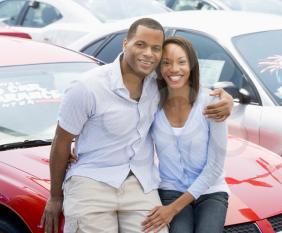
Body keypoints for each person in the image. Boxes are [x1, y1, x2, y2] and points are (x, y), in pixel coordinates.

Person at [40, 18, 233, 233]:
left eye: (155, 48)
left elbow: (187, 84)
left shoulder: (156, 84)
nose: (148, 53)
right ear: (125, 44)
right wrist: (55, 196)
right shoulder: (87, 87)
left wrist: (226, 99)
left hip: (139, 183)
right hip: (92, 181)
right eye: (140, 44)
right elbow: (61, 141)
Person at [141, 36, 229, 233]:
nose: (174, 69)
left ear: (192, 66)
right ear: (159, 68)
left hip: (210, 190)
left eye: (181, 62)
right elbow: (125, 131)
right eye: (166, 62)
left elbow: (215, 167)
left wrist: (172, 210)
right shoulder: (152, 104)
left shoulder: (212, 103)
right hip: (171, 188)